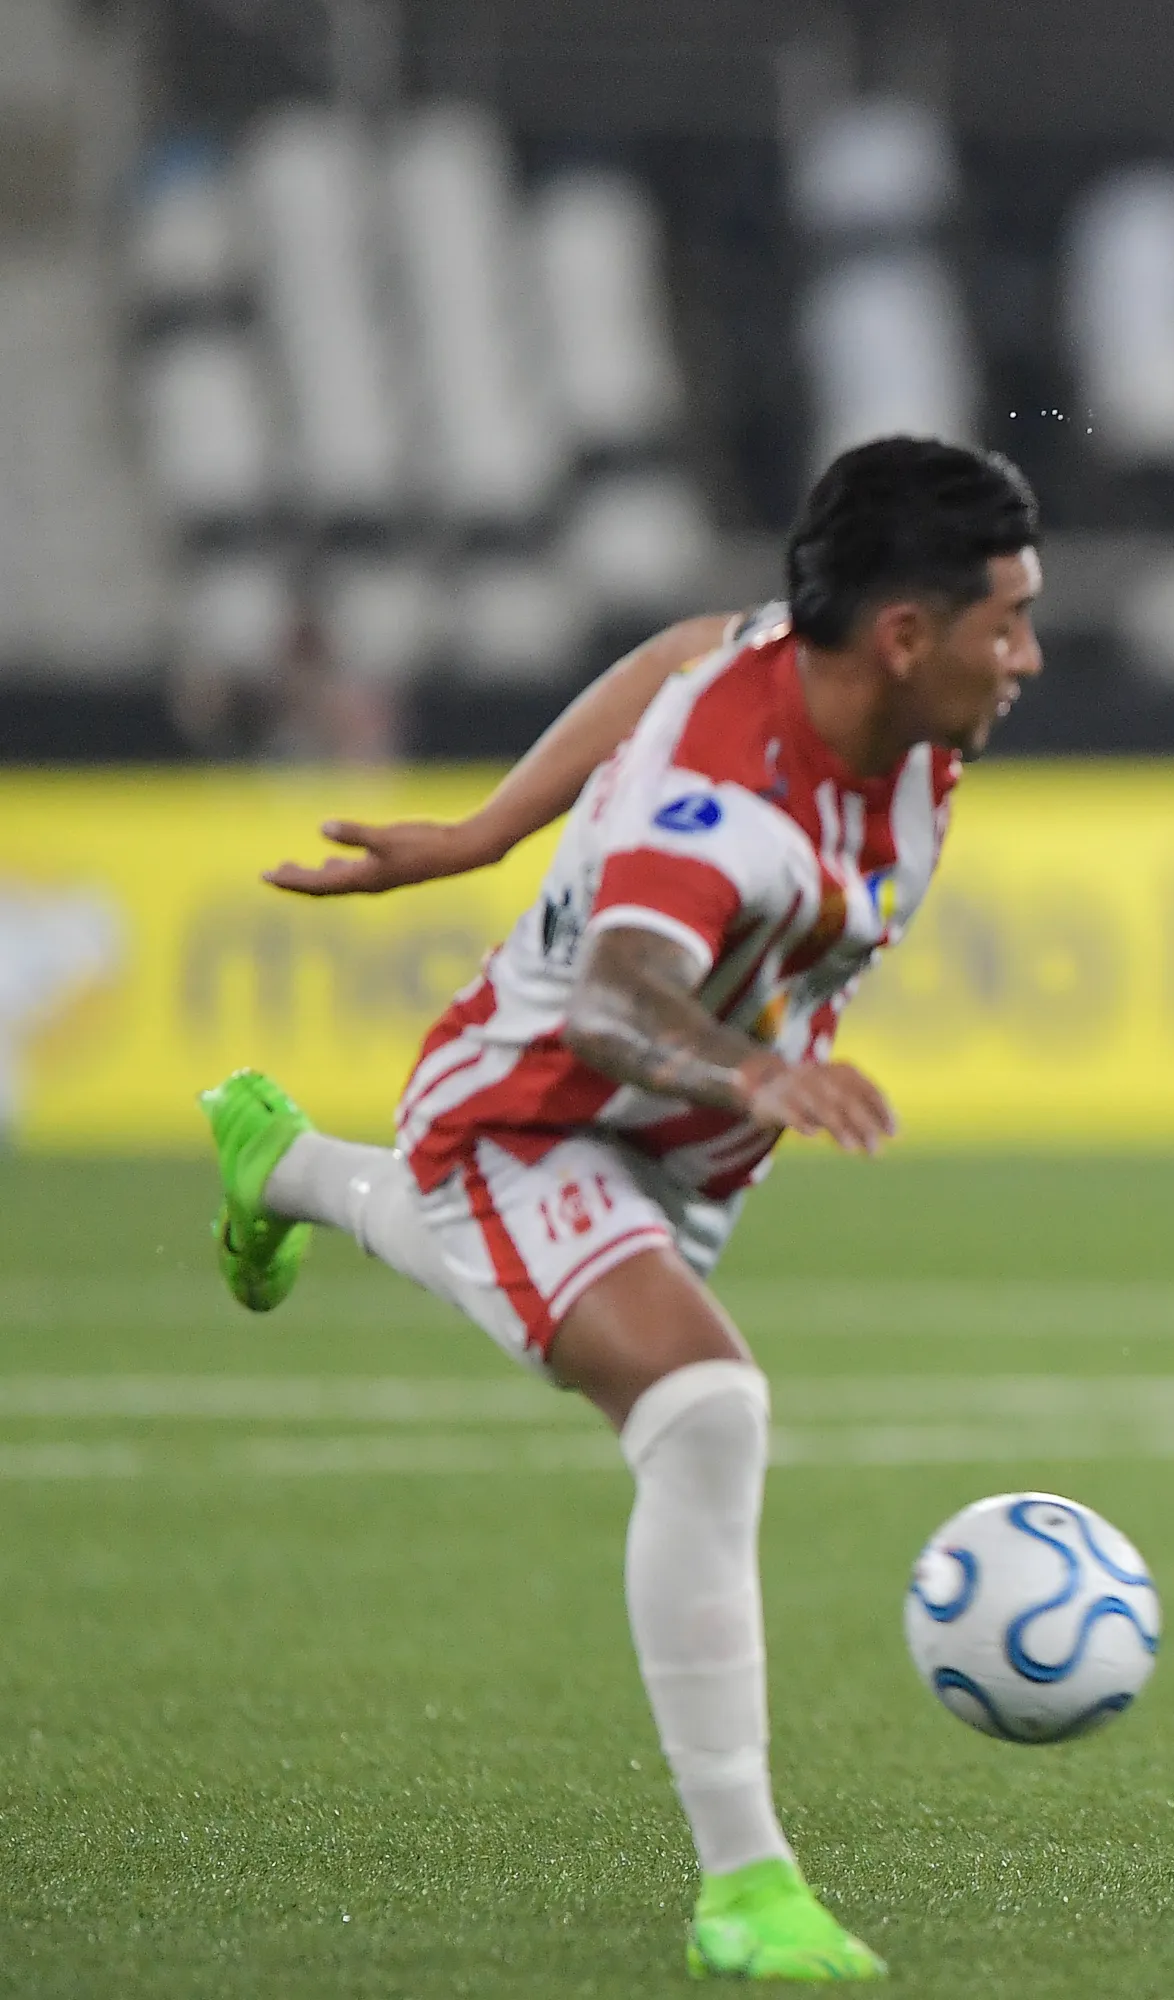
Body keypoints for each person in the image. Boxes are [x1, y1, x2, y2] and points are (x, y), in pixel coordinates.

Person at [202, 436, 1047, 1979]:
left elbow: (679, 650)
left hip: (689, 1136)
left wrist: (483, 828)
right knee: (706, 1410)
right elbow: (612, 1002)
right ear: (910, 637)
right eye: (1008, 623)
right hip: (535, 1114)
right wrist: (751, 1073)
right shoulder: (720, 808)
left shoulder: (869, 697)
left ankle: (289, 1170)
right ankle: (746, 1889)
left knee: (551, 1314)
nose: (1030, 657)